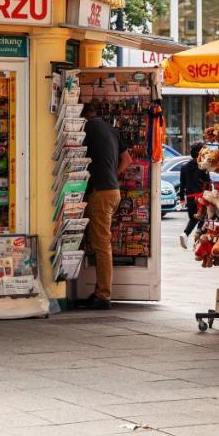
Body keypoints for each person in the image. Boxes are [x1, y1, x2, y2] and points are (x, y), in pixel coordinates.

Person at [82, 102, 132, 309]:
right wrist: (113, 175)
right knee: (99, 242)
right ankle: (99, 292)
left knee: (102, 245)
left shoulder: (86, 128)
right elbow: (127, 159)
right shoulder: (111, 129)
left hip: (100, 193)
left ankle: (103, 295)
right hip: (112, 191)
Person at [177, 142, 209, 248]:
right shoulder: (202, 167)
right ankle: (199, 241)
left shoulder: (184, 167)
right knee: (203, 218)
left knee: (193, 219)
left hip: (189, 198)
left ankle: (185, 234)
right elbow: (208, 182)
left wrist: (181, 198)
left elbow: (182, 185)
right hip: (200, 198)